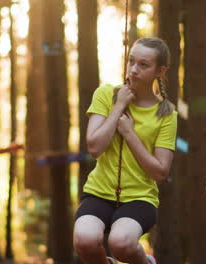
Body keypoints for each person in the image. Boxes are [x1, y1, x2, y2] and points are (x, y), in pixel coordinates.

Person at [73, 37, 177, 264]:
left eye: (143, 64)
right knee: (85, 240)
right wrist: (119, 105)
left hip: (140, 198)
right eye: (131, 61)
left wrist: (129, 134)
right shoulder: (106, 94)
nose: (134, 69)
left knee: (121, 244)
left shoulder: (166, 113)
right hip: (99, 193)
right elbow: (94, 147)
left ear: (160, 71)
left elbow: (160, 173)